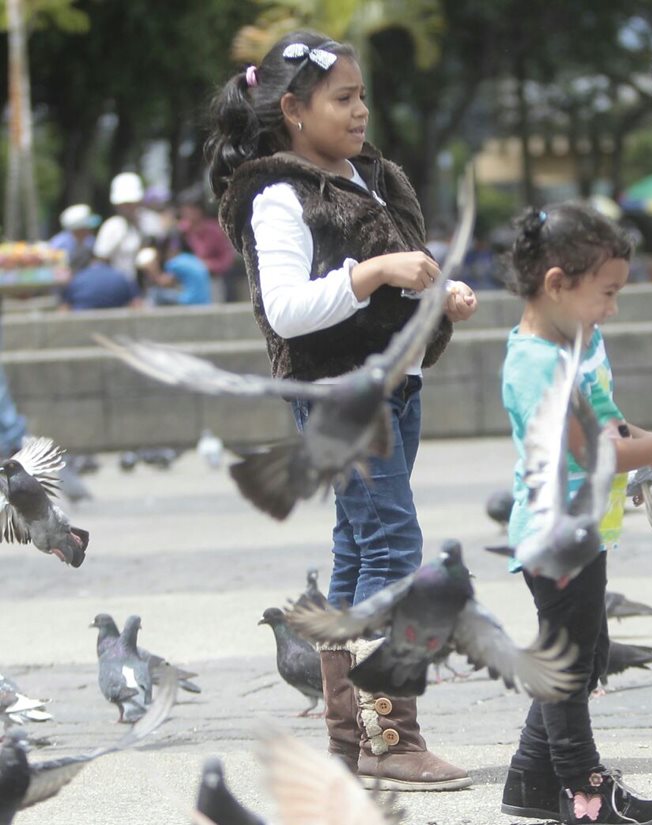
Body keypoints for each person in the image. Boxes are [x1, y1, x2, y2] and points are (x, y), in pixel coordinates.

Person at [205, 30, 478, 791]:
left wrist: (437, 293)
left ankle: (349, 736)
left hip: (394, 389)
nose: (361, 112)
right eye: (343, 99)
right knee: (394, 549)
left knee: (360, 550)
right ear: (293, 110)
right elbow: (288, 312)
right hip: (339, 397)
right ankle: (390, 736)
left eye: (363, 97)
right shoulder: (277, 194)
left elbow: (393, 280)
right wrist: (376, 270)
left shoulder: (368, 177)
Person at [499, 202, 652, 825]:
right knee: (568, 666)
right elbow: (591, 450)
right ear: (557, 284)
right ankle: (584, 792)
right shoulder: (538, 364)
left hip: (584, 531)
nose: (612, 308)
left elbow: (610, 424)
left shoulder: (577, 343)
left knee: (583, 656)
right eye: (606, 293)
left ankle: (530, 780)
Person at [175, 186, 239, 302]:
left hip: (212, 280)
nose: (189, 212)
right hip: (185, 282)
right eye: (186, 208)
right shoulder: (179, 232)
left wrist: (208, 265)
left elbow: (227, 258)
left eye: (193, 208)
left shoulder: (214, 230)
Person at [94, 172, 157, 283]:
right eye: (124, 204)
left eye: (131, 203)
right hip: (119, 284)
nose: (128, 207)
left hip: (147, 284)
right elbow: (101, 259)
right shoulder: (112, 226)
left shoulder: (150, 221)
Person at [136, 244, 213, 306]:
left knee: (155, 293)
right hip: (205, 300)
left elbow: (164, 283)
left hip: (191, 301)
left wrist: (153, 272)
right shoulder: (189, 258)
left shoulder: (173, 264)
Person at [58, 256, 141, 311]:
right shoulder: (122, 276)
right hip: (115, 324)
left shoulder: (78, 278)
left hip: (82, 322)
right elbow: (137, 304)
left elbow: (64, 307)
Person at [48, 203, 100, 271]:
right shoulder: (59, 243)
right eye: (86, 227)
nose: (89, 229)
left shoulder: (90, 240)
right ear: (79, 228)